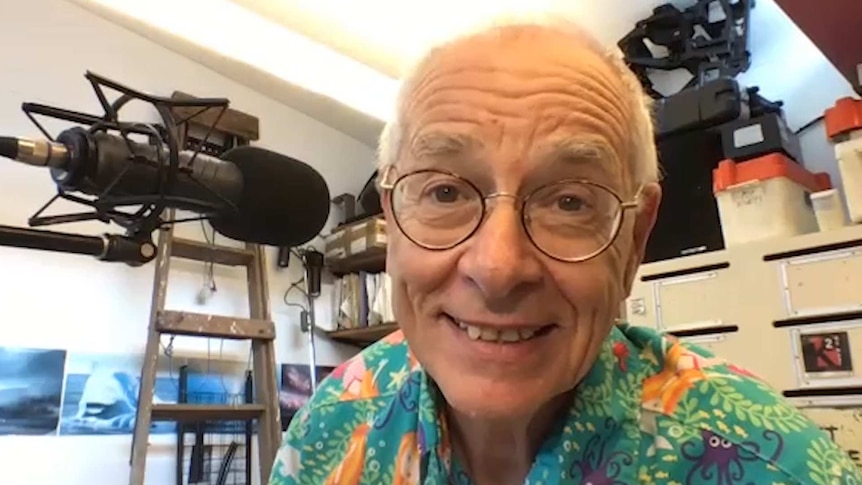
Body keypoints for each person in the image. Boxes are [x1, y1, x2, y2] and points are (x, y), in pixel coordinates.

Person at [268, 20, 862, 485]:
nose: (497, 268)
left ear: (633, 241)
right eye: (445, 192)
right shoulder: (327, 432)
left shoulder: (775, 467)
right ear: (393, 223)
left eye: (570, 202)